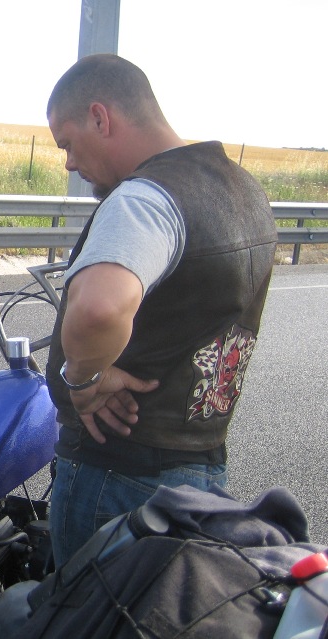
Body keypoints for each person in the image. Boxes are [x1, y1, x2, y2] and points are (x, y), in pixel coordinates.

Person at [43, 54, 277, 567]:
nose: (69, 164)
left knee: (85, 609)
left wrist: (83, 379)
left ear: (100, 118)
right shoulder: (246, 193)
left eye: (67, 144)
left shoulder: (145, 199)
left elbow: (99, 308)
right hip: (202, 474)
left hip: (118, 478)